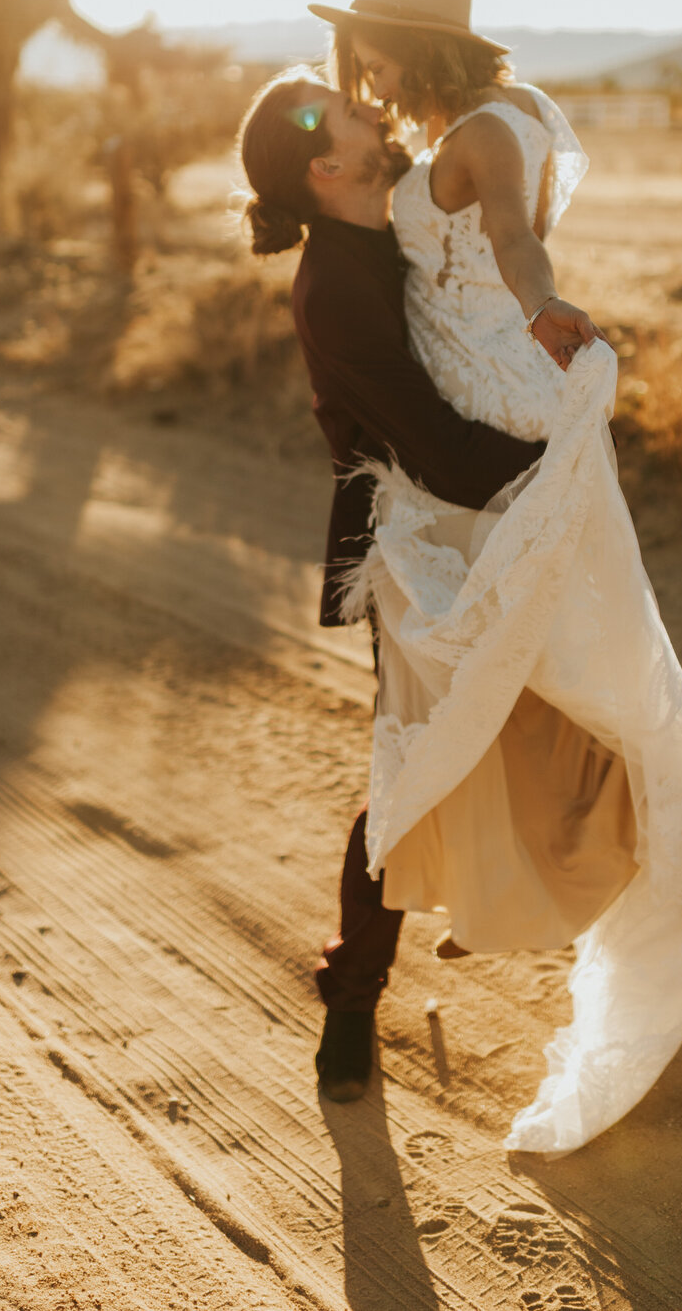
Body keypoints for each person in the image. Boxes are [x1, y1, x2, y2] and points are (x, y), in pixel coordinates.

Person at [304, 0, 682, 1156]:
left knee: (533, 706)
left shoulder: (487, 135)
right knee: (454, 722)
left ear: (420, 43)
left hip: (490, 464)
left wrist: (544, 305)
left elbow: (509, 239)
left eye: (374, 49)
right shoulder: (465, 123)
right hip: (433, 483)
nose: (364, 72)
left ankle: (653, 892)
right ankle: (360, 994)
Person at [238, 65, 545, 1102]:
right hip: (416, 539)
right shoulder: (336, 284)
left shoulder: (408, 220)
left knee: (554, 718)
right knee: (413, 767)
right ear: (327, 166)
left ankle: (532, 904)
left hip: (478, 512)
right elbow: (435, 444)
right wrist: (566, 464)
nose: (372, 108)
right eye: (350, 111)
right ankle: (353, 995)